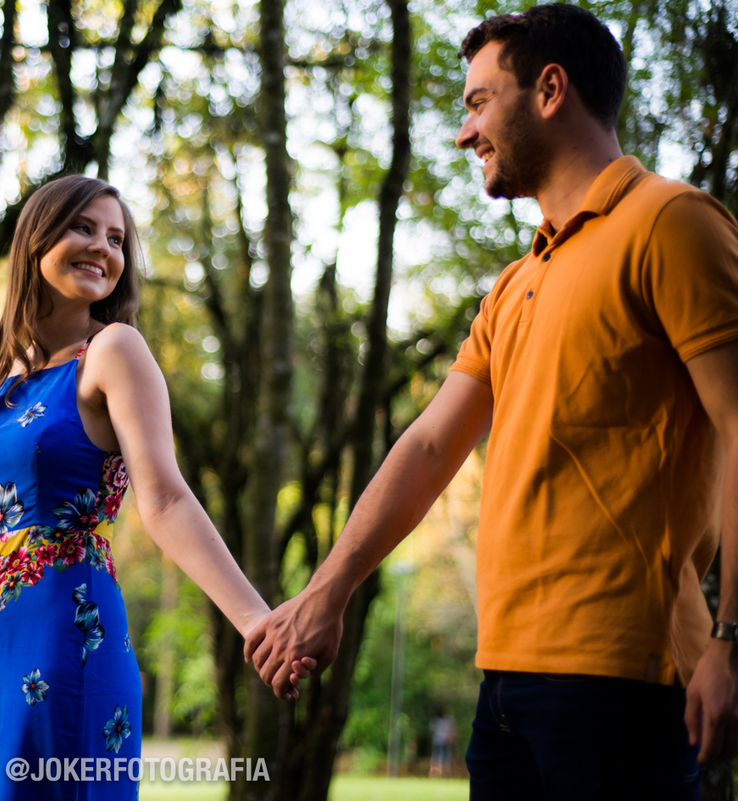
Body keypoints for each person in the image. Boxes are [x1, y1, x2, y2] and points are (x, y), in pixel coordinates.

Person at [245, 4, 738, 799]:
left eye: (477, 103)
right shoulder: (515, 283)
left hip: (624, 680)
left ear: (550, 90)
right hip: (504, 682)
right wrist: (328, 589)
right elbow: (431, 446)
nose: (463, 132)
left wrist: (732, 641)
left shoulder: (670, 224)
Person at [0, 174, 271, 799]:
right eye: (84, 227)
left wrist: (256, 621)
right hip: (1, 644)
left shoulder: (113, 351)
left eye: (117, 238)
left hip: (72, 639)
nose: (104, 247)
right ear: (34, 240)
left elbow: (166, 497)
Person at [428, 710, 455, 778]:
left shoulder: (434, 720)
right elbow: (451, 730)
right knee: (445, 758)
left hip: (437, 741)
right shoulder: (449, 719)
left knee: (436, 757)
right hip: (444, 741)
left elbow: (431, 731)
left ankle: (436, 774)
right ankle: (444, 774)